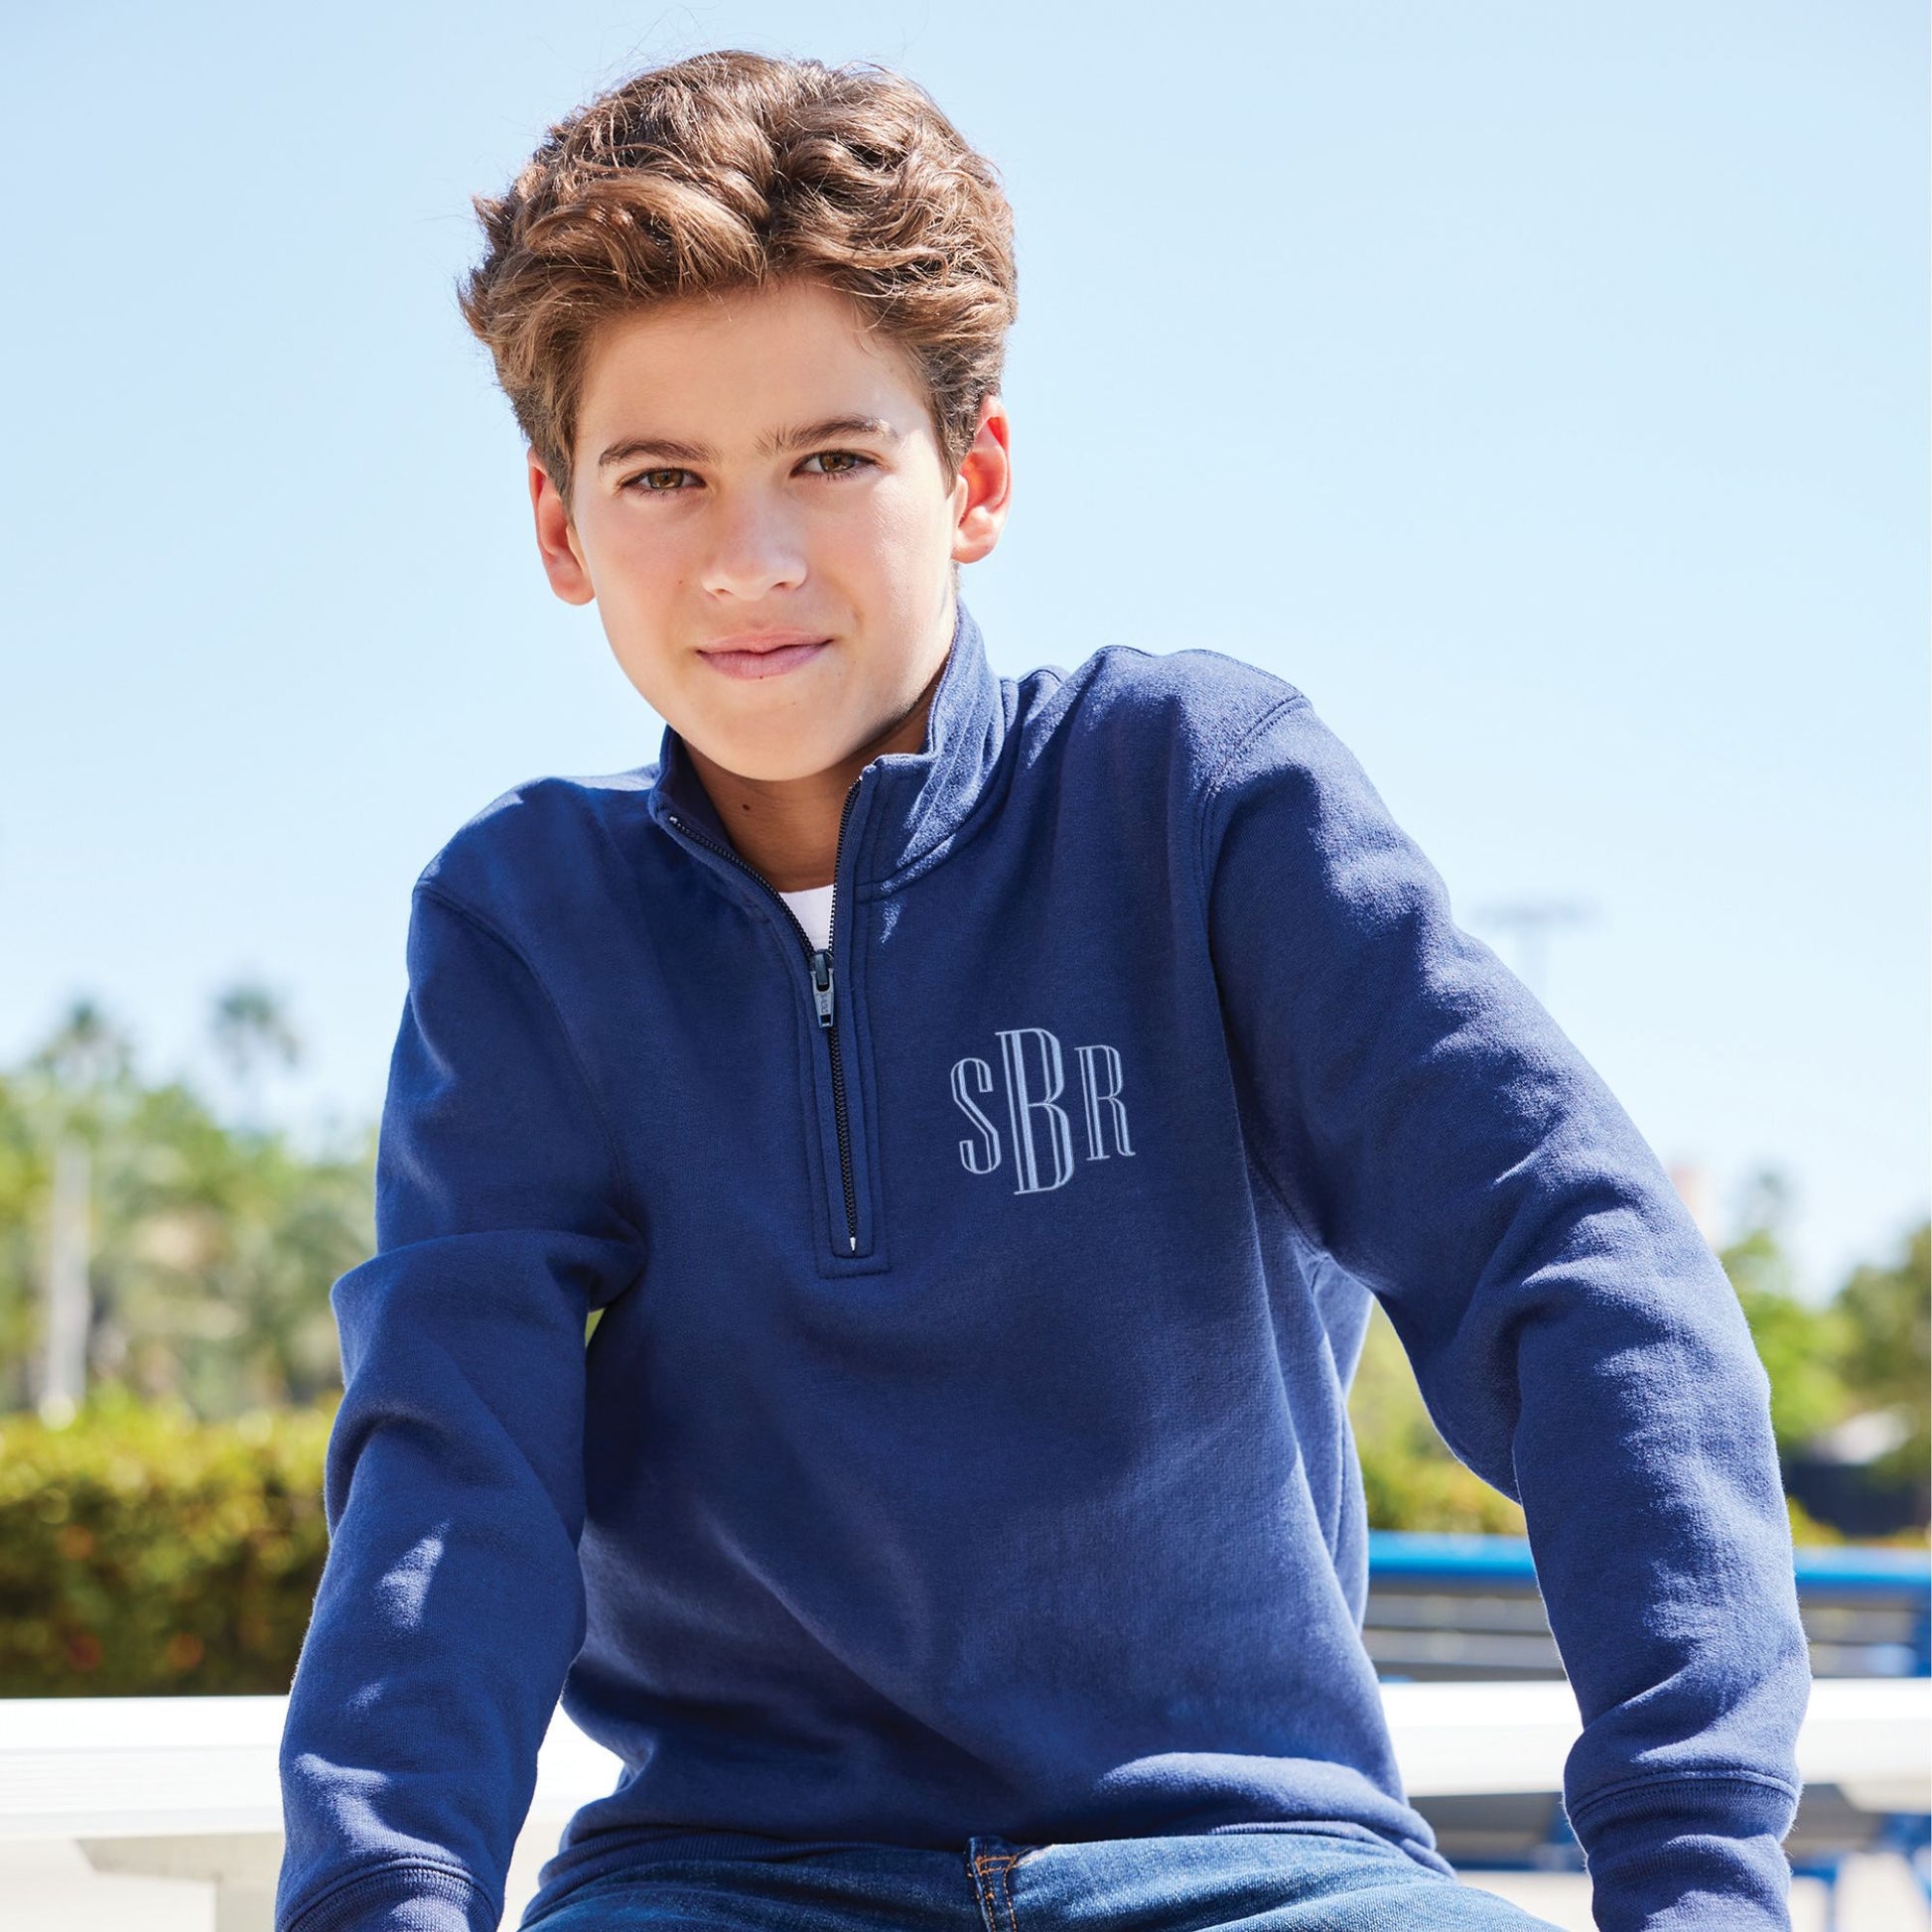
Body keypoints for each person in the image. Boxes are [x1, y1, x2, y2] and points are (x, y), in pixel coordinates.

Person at [273, 49, 1810, 1932]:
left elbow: (1577, 1271)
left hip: (1260, 1861)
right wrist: (389, 1895)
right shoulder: (526, 923)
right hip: (722, 1880)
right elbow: (456, 1475)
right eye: (661, 476)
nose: (749, 558)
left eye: (830, 458)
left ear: (972, 473)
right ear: (557, 526)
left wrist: (1698, 1877)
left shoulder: (1198, 794)